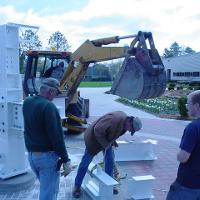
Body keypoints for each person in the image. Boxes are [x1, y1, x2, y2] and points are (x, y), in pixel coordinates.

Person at [72, 111, 142, 198]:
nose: (129, 131)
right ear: (130, 122)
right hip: (93, 138)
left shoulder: (124, 123)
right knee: (86, 162)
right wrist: (106, 144)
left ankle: (109, 185)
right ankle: (77, 186)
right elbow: (97, 129)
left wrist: (112, 142)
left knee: (110, 161)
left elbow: (114, 132)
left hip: (105, 140)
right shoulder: (114, 119)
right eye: (131, 129)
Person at [23, 77, 72, 200]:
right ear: (50, 91)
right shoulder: (49, 106)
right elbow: (57, 137)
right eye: (55, 93)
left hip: (32, 157)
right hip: (47, 159)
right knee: (49, 195)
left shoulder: (27, 102)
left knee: (45, 189)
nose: (55, 97)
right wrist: (66, 160)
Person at [166, 90, 200, 200]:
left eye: (188, 103)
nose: (186, 107)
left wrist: (178, 154)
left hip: (187, 185)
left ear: (196, 106)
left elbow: (183, 157)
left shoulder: (193, 127)